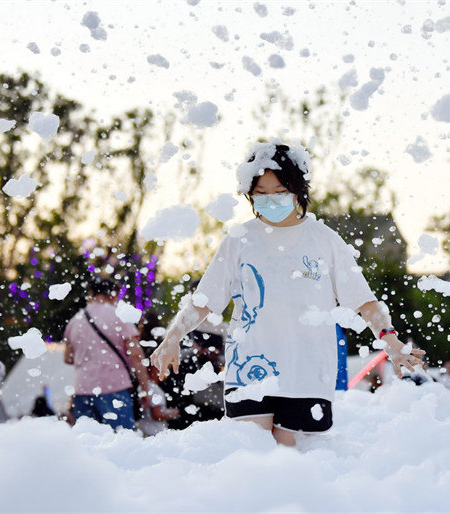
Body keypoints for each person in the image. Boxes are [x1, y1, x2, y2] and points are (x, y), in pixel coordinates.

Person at [151, 141, 425, 446]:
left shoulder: (324, 240)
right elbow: (205, 299)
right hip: (248, 371)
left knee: (291, 465)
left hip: (307, 373)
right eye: (261, 194)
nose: (270, 201)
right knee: (252, 458)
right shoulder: (240, 239)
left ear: (297, 189)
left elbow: (363, 301)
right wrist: (173, 336)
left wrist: (390, 339)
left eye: (279, 192)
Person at [63, 277, 150, 431]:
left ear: (90, 294)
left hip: (82, 389)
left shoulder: (75, 320)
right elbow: (136, 356)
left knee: (88, 443)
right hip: (115, 386)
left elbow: (68, 358)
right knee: (121, 441)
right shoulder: (119, 316)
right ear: (113, 295)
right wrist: (145, 388)